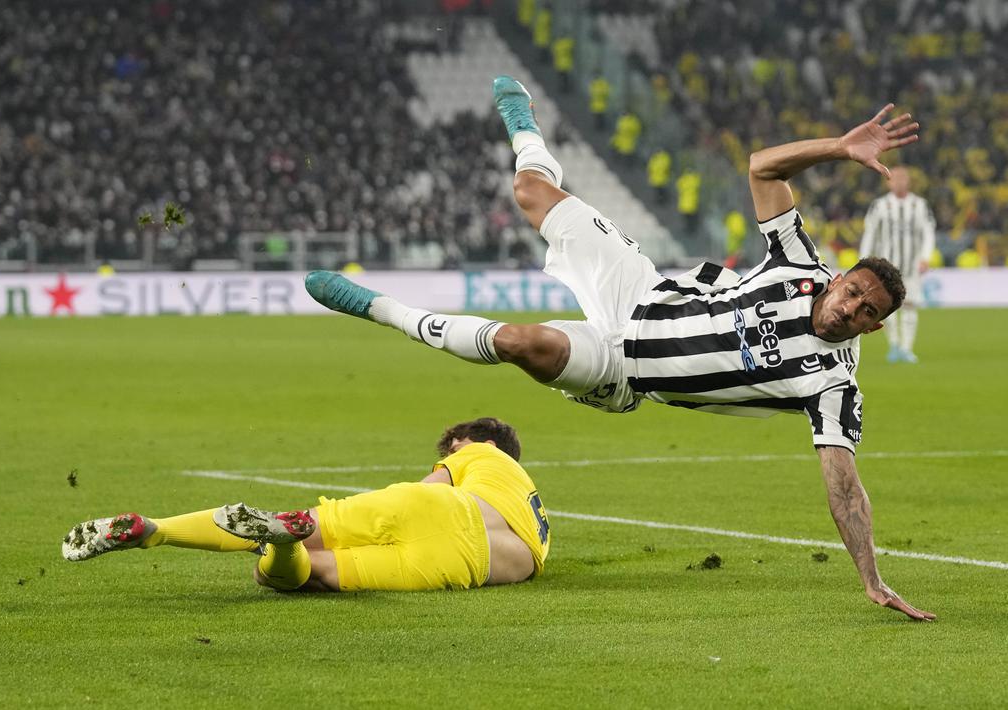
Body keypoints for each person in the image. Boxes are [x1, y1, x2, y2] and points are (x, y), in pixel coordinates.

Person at [306, 76, 935, 621]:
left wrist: (871, 579)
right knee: (530, 193)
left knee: (520, 342)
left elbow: (844, 485)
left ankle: (378, 308)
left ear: (872, 328)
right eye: (853, 290)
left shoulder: (832, 385)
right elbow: (762, 165)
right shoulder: (798, 262)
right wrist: (839, 147)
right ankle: (526, 124)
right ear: (839, 278)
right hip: (638, 288)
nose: (850, 307)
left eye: (866, 311)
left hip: (624, 372)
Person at [62, 418, 550, 593]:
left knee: (272, 525)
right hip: (472, 562)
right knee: (311, 574)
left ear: (474, 439)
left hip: (438, 509)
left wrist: (409, 494)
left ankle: (154, 529)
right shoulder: (538, 523)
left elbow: (432, 486)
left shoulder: (482, 453)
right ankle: (286, 548)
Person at [859, 166, 936, 363]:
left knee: (910, 306)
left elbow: (928, 233)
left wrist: (925, 257)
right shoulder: (879, 206)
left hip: (912, 266)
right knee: (887, 306)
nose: (899, 182)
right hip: (887, 267)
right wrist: (865, 259)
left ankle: (907, 348)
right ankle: (894, 345)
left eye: (903, 178)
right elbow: (870, 234)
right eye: (895, 179)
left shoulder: (919, 205)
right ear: (889, 182)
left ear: (908, 181)